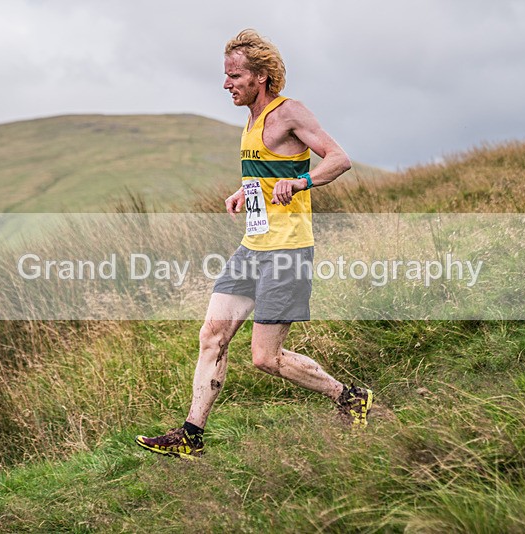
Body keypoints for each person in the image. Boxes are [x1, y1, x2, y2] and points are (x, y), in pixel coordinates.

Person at [135, 29, 372, 459]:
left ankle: (349, 397)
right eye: (225, 75)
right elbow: (267, 169)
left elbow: (339, 159)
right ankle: (191, 435)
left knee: (265, 358)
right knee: (212, 335)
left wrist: (300, 183)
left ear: (260, 76)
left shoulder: (289, 113)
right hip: (253, 246)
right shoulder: (251, 120)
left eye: (235, 75)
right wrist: (247, 192)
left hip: (287, 251)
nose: (227, 84)